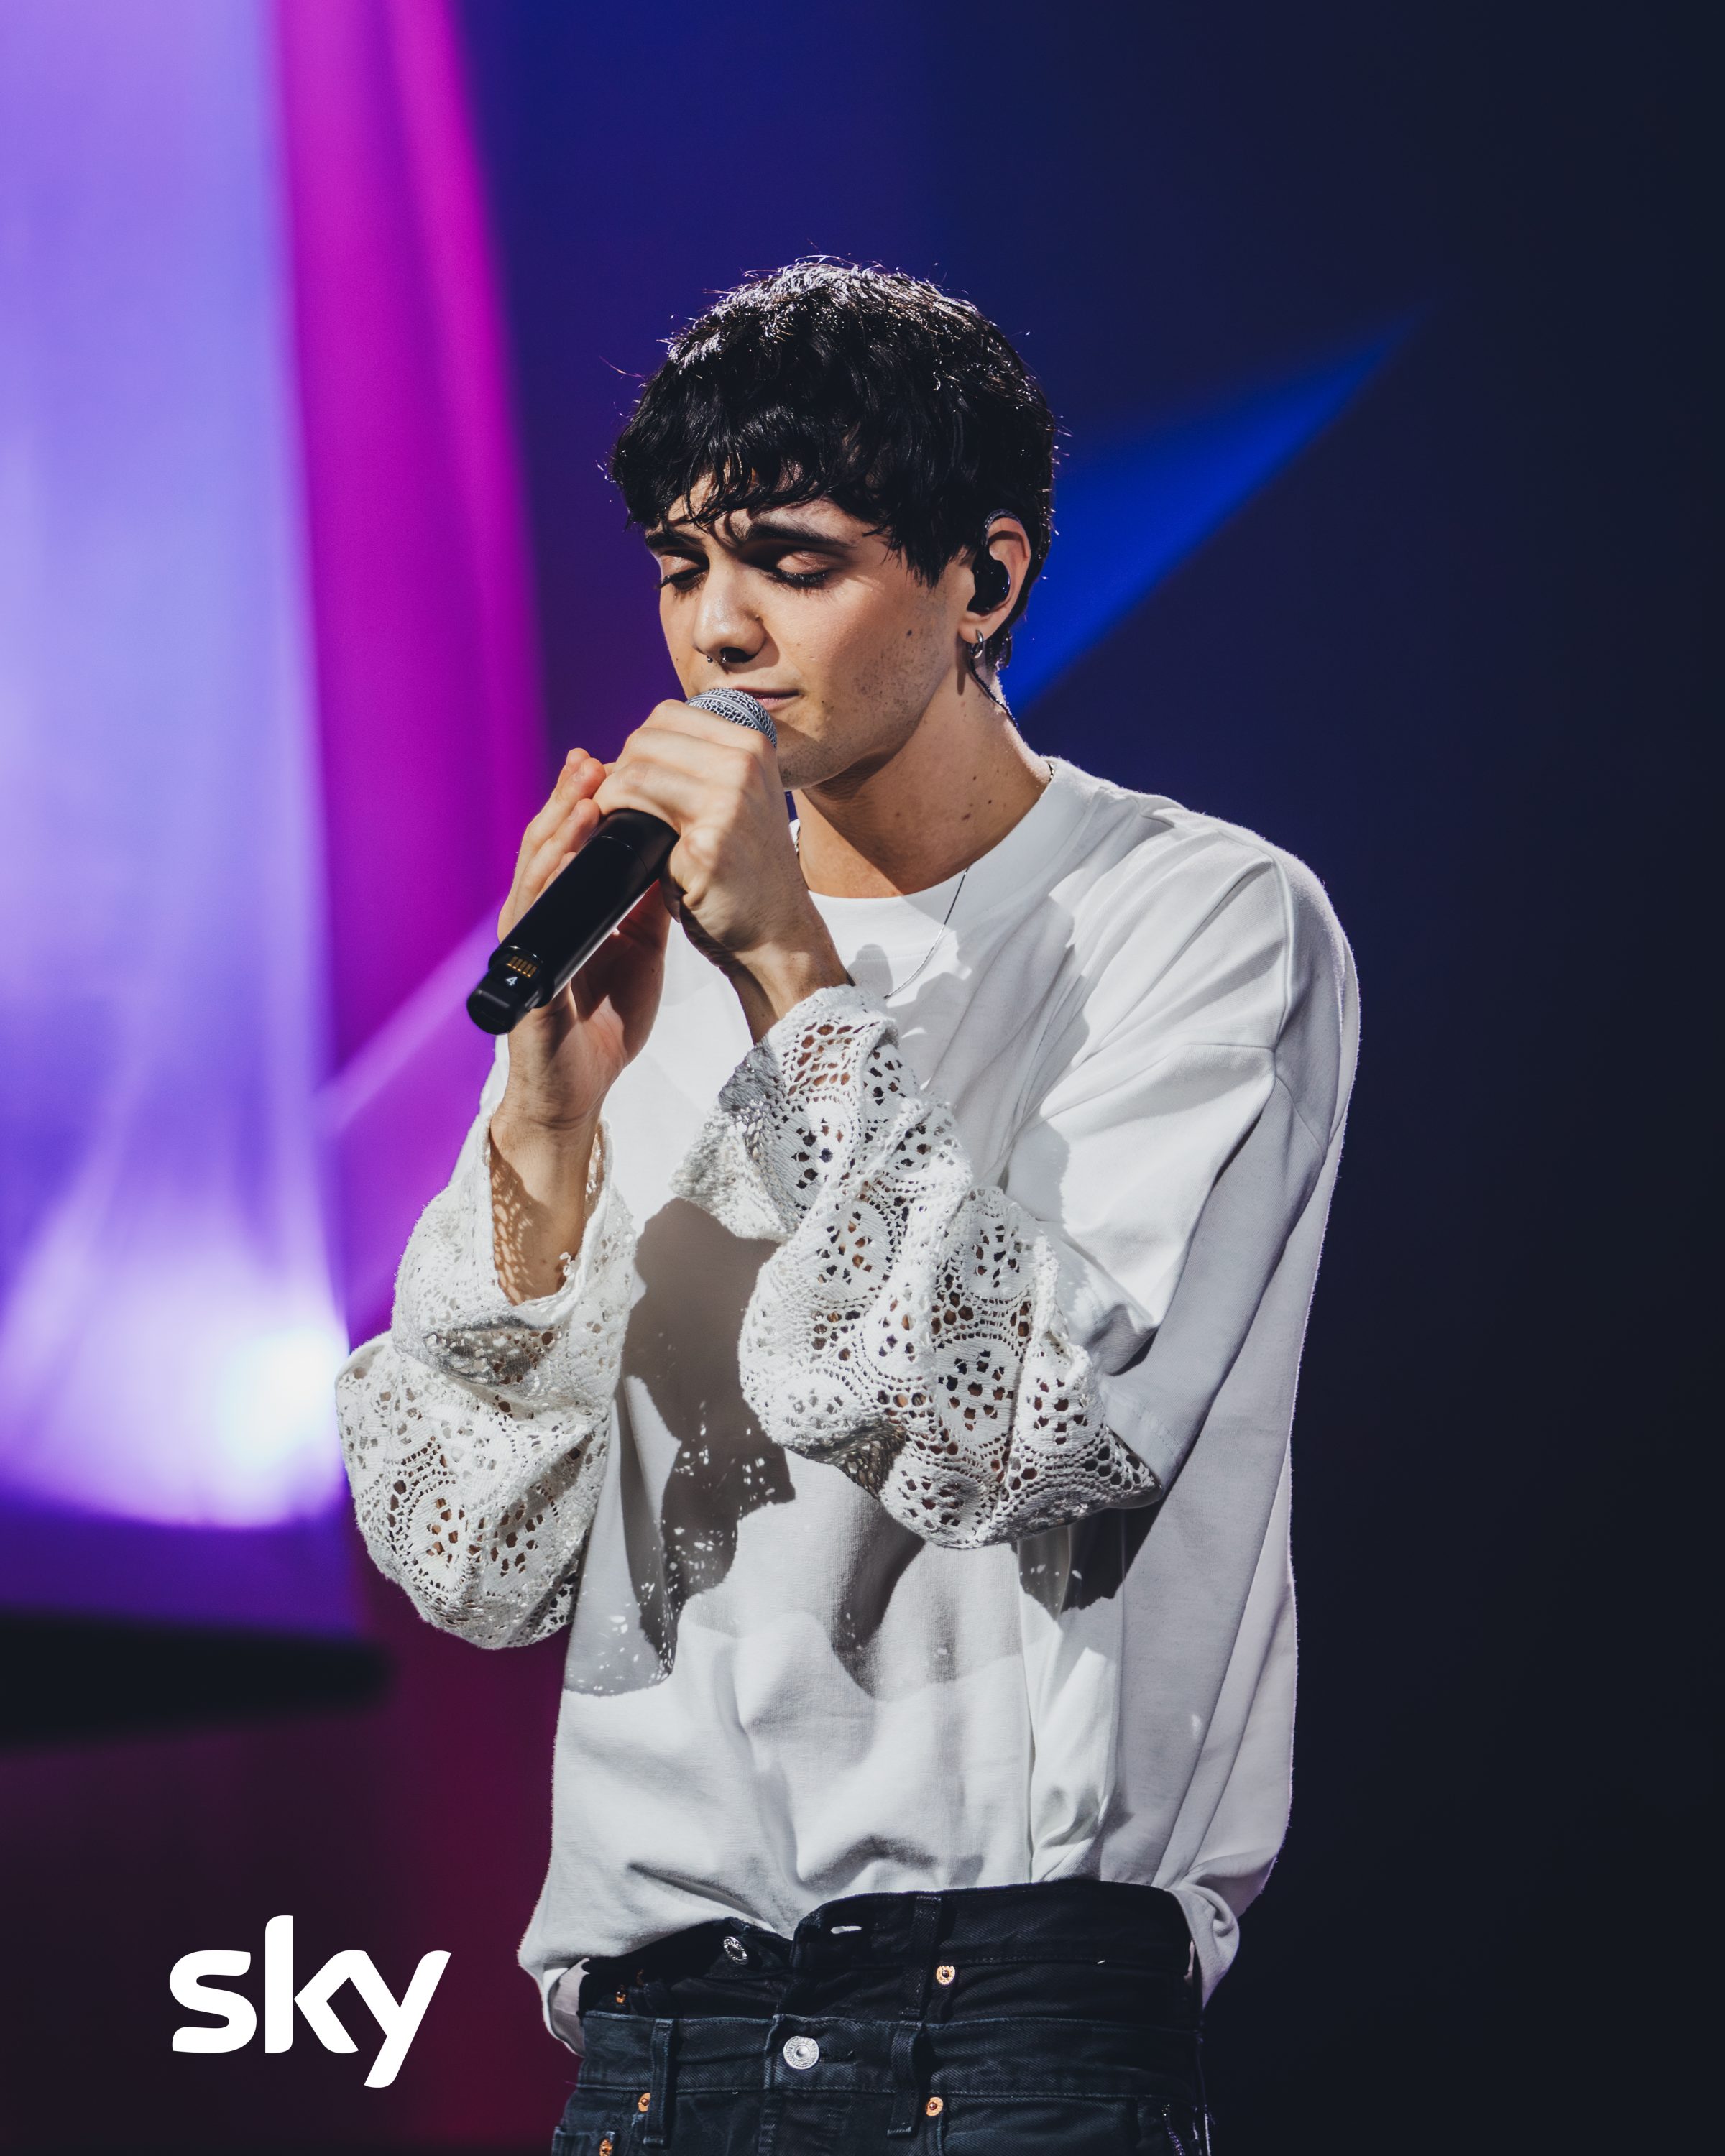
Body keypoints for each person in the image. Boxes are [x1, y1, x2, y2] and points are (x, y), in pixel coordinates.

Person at [336, 258, 1357, 2154]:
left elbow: (1034, 1427)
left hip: (1001, 2021)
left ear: (988, 578)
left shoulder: (1197, 921)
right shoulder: (641, 959)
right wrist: (547, 1123)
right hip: (656, 2040)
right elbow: (472, 1563)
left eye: (793, 562)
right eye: (681, 565)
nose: (718, 629)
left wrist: (795, 981)